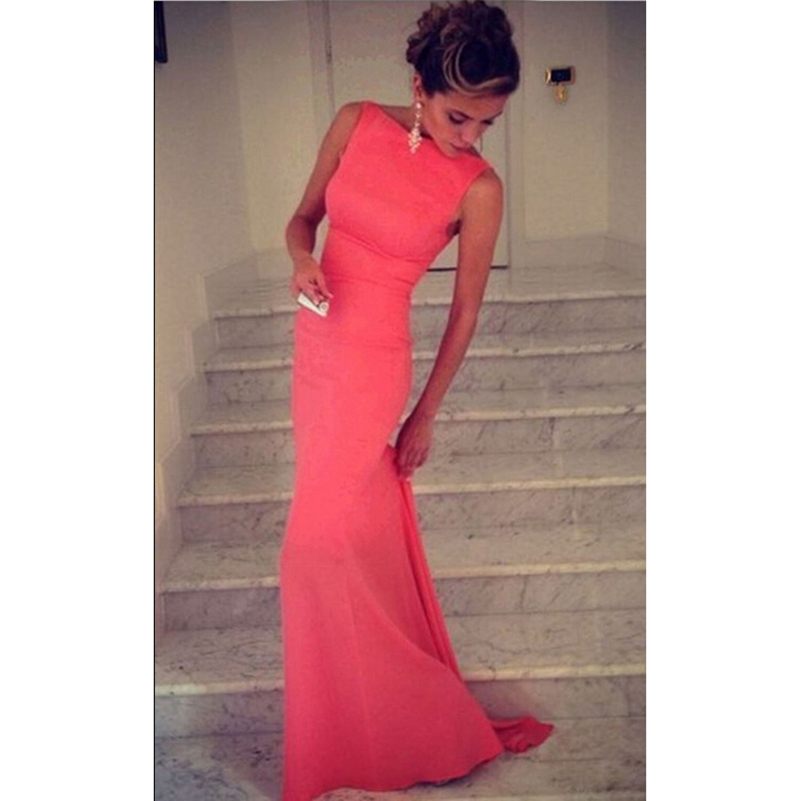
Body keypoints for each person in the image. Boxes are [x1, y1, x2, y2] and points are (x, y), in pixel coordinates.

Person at [279, 2, 554, 798]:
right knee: (346, 544)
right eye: (456, 115)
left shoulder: (478, 187)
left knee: (307, 549)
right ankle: (358, 728)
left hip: (373, 366)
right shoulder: (354, 121)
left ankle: (390, 718)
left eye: (487, 122)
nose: (469, 136)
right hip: (315, 348)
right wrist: (302, 261)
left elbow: (464, 311)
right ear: (418, 87)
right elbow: (301, 221)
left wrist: (424, 413)